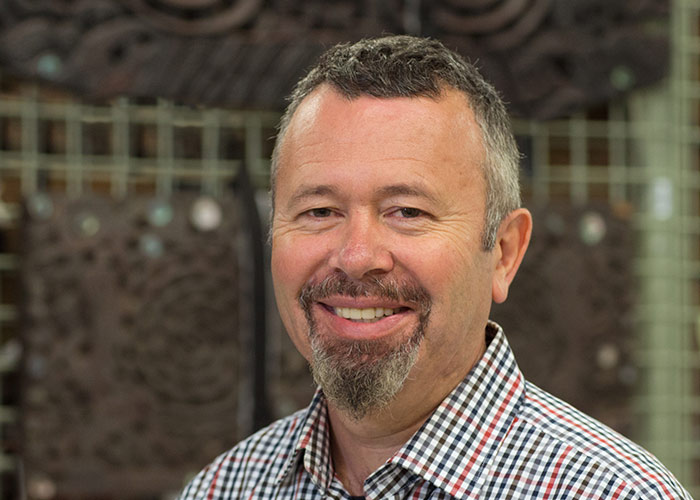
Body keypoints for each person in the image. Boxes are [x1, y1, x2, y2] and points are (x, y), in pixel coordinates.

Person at [178, 35, 692, 499]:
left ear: (505, 253)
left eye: (408, 212)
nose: (357, 256)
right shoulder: (225, 487)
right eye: (320, 211)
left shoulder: (612, 492)